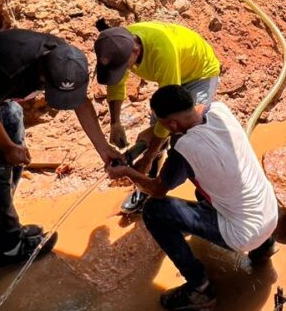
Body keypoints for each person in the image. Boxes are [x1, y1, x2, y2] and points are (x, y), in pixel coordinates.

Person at [0, 29, 122, 266]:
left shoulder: (69, 62)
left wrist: (103, 148)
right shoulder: (10, 68)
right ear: (43, 74)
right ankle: (9, 248)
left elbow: (81, 102)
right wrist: (7, 147)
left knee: (13, 159)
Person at [107, 85, 278, 311]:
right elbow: (192, 115)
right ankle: (265, 248)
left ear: (173, 125)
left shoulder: (185, 148)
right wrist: (156, 134)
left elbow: (157, 189)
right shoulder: (219, 111)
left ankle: (201, 288)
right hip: (270, 214)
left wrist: (129, 172)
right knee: (212, 190)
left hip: (243, 235)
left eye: (162, 123)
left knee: (154, 211)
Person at [94, 21, 221, 212]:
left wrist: (147, 158)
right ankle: (147, 187)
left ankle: (208, 194)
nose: (122, 72)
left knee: (187, 137)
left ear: (135, 50)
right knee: (157, 129)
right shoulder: (119, 44)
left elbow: (169, 119)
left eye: (122, 67)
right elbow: (116, 83)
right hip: (175, 75)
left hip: (198, 76)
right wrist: (115, 123)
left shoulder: (162, 52)